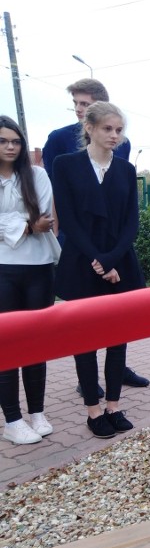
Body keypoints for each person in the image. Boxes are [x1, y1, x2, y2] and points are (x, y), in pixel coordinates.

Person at [42, 78, 149, 393]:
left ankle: (116, 387)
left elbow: (127, 216)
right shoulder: (62, 154)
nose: (115, 135)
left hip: (116, 256)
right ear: (89, 127)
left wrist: (111, 259)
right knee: (84, 332)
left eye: (118, 130)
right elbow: (68, 213)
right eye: (108, 129)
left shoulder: (124, 161)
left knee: (118, 330)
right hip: (82, 254)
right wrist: (97, 259)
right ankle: (89, 392)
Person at [0, 116, 59, 445]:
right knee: (7, 344)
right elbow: (32, 220)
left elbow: (44, 215)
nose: (10, 146)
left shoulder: (36, 174)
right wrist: (24, 225)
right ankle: (12, 419)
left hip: (38, 265)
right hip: (2, 269)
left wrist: (12, 223)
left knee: (36, 343)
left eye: (16, 141)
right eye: (3, 141)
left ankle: (36, 412)